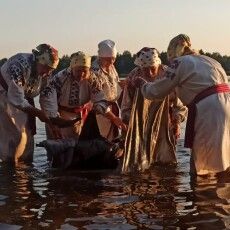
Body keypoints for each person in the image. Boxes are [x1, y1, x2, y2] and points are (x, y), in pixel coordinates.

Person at [134, 34, 230, 175]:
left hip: (209, 110)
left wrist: (143, 85)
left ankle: (203, 194)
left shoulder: (180, 62)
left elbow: (156, 91)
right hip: (226, 106)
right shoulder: (210, 60)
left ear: (173, 53)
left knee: (204, 164)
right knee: (225, 156)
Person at [121, 47, 187, 172]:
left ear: (158, 64)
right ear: (140, 67)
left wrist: (177, 122)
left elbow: (180, 105)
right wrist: (131, 125)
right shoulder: (133, 77)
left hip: (165, 123)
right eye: (146, 70)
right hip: (141, 124)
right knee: (140, 162)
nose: (150, 73)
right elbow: (125, 107)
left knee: (165, 162)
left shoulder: (170, 74)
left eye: (153, 69)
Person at [0, 44, 59, 163]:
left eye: (51, 69)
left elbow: (46, 96)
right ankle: (11, 174)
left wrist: (52, 121)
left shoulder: (47, 73)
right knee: (16, 138)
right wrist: (38, 113)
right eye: (46, 68)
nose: (47, 72)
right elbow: (16, 98)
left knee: (28, 139)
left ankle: (26, 170)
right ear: (38, 60)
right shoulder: (18, 65)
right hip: (5, 97)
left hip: (23, 101)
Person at [40, 51, 92, 141]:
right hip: (60, 115)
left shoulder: (92, 79)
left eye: (85, 71)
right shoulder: (60, 78)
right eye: (78, 70)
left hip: (80, 116)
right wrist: (54, 122)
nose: (82, 74)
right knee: (58, 146)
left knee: (78, 146)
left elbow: (99, 96)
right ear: (72, 68)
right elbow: (47, 98)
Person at [90, 39, 127, 141]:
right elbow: (97, 99)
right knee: (102, 140)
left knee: (113, 139)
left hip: (113, 107)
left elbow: (114, 84)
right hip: (100, 112)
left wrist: (124, 85)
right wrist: (114, 118)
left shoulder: (111, 67)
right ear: (100, 57)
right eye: (108, 59)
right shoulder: (94, 72)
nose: (111, 62)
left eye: (113, 59)